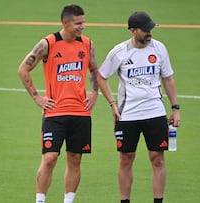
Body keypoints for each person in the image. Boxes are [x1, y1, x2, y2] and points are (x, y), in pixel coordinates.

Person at [17, 4, 99, 203]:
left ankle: (68, 201)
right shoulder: (48, 43)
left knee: (75, 159)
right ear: (65, 22)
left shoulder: (87, 44)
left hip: (81, 112)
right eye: (78, 23)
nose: (83, 27)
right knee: (50, 158)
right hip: (55, 112)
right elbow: (23, 69)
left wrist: (94, 92)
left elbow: (94, 69)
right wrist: (37, 97)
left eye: (83, 22)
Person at [97, 11, 180, 203]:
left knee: (157, 159)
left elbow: (168, 78)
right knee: (126, 159)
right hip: (127, 115)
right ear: (133, 31)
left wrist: (175, 108)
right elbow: (101, 76)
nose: (150, 32)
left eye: (151, 28)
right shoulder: (120, 52)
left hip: (155, 112)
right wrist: (112, 103)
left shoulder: (159, 49)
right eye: (146, 30)